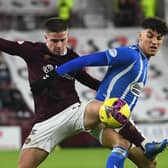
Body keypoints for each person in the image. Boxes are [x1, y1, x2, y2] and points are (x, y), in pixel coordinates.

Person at [32, 17, 168, 167]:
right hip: (106, 111)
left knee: (149, 164)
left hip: (116, 118)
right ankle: (146, 144)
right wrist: (56, 74)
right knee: (126, 145)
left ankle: (146, 145)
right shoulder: (130, 54)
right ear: (140, 35)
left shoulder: (142, 62)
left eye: (159, 38)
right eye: (150, 36)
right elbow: (89, 59)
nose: (154, 42)